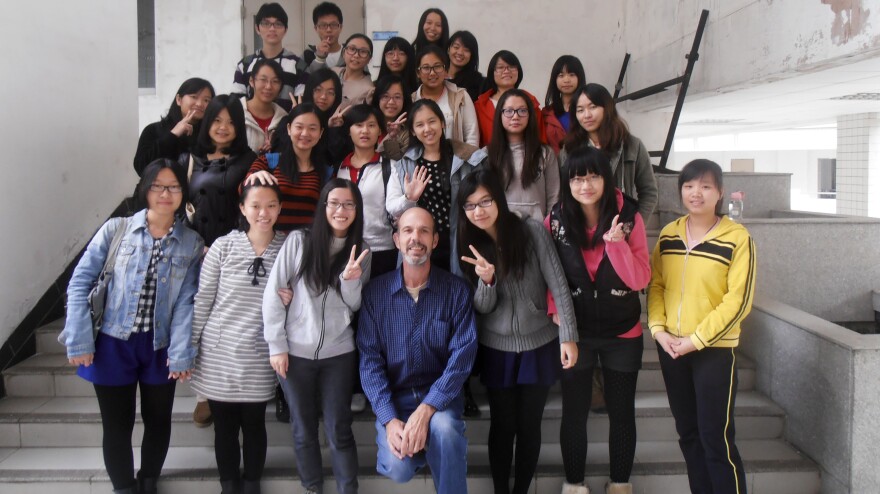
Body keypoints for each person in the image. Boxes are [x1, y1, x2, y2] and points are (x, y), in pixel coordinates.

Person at [59, 159, 202, 494]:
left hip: (159, 346)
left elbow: (186, 303)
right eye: (157, 186)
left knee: (158, 421)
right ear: (145, 189)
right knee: (117, 424)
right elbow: (80, 282)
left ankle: (149, 480)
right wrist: (79, 339)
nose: (165, 194)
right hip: (112, 343)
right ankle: (124, 487)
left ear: (183, 192)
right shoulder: (117, 230)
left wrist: (181, 352)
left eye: (174, 187)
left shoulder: (191, 243)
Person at [456, 170, 578, 494]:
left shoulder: (531, 231)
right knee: (502, 427)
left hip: (539, 342)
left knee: (529, 426)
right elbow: (482, 308)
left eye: (485, 201)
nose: (478, 210)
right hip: (496, 348)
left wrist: (568, 335)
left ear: (498, 198)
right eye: (470, 206)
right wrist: (487, 281)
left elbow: (558, 284)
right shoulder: (469, 243)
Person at [547, 146, 651, 494]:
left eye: (593, 176)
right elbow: (550, 276)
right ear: (568, 182)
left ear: (606, 178)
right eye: (577, 178)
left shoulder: (629, 217)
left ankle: (620, 484)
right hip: (576, 332)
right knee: (574, 414)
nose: (585, 185)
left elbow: (640, 280)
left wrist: (618, 245)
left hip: (623, 330)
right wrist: (561, 326)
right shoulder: (557, 220)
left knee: (621, 413)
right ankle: (574, 484)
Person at [648, 159, 755, 494]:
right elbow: (657, 286)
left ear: (719, 193)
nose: (696, 193)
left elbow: (738, 301)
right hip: (672, 349)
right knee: (689, 435)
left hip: (714, 351)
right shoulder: (668, 234)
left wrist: (697, 339)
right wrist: (658, 329)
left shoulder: (737, 238)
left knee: (716, 439)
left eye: (706, 186)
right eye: (689, 185)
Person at [357, 206, 477, 494]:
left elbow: (461, 359)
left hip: (441, 401)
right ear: (396, 240)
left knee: (445, 431)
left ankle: (435, 443)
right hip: (396, 400)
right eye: (408, 231)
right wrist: (388, 419)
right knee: (398, 468)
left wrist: (426, 413)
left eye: (424, 231)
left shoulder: (456, 291)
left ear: (436, 240)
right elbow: (369, 362)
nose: (416, 238)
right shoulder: (375, 294)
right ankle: (428, 447)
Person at [264, 179, 372, 494]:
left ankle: (347, 489)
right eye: (334, 203)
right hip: (295, 354)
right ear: (324, 206)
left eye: (349, 204)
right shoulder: (300, 241)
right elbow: (273, 294)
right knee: (303, 428)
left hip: (338, 354)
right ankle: (312, 486)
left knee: (339, 428)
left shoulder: (362, 251)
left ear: (357, 210)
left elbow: (354, 306)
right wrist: (277, 345)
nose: (341, 210)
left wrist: (350, 281)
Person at [190, 181, 285, 494]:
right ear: (243, 209)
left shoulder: (288, 247)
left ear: (279, 209)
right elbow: (204, 298)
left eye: (271, 205)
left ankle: (252, 483)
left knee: (255, 423)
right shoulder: (223, 246)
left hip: (260, 352)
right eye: (255, 205)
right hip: (219, 352)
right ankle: (229, 485)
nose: (263, 212)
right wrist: (189, 346)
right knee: (225, 427)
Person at [385, 98, 486, 274]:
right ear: (413, 131)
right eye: (420, 125)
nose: (427, 129)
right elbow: (392, 207)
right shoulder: (404, 163)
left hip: (457, 241)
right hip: (420, 242)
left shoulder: (466, 159)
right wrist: (409, 198)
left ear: (442, 123)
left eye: (432, 121)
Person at [561, 83, 658, 219]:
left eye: (593, 107)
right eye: (580, 110)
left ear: (607, 108)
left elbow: (649, 192)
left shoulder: (632, 145)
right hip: (583, 228)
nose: (587, 115)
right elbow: (564, 192)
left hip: (620, 225)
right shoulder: (570, 148)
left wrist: (633, 226)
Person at [244, 103, 328, 232]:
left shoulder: (326, 172)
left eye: (312, 128)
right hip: (270, 245)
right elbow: (243, 192)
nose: (305, 133)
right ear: (289, 129)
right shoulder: (268, 162)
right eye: (299, 127)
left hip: (304, 246)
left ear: (321, 132)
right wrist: (253, 178)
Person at [486, 88, 560, 222]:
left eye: (522, 111)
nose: (515, 116)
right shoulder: (487, 154)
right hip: (501, 229)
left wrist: (549, 228)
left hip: (539, 230)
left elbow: (553, 197)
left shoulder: (545, 153)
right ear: (499, 115)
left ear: (530, 115)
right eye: (508, 111)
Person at [231, 2, 307, 112]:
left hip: (287, 127)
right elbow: (235, 103)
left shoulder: (299, 66)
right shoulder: (245, 65)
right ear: (257, 28)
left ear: (285, 30)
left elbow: (302, 106)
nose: (272, 29)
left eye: (278, 24)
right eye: (266, 24)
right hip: (251, 127)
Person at [133, 78, 214, 177]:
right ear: (179, 99)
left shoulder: (211, 135)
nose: (200, 104)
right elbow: (141, 167)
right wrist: (173, 135)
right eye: (194, 97)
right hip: (162, 191)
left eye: (206, 100)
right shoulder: (153, 130)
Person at [411, 45, 479, 147]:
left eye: (437, 66)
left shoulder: (460, 96)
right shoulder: (411, 100)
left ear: (446, 70)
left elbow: (471, 136)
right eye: (426, 68)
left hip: (458, 161)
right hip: (421, 162)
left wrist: (467, 162)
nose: (432, 73)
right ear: (418, 72)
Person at [476, 51, 546, 146]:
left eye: (512, 67)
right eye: (500, 67)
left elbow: (541, 140)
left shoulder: (531, 103)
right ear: (492, 72)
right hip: (491, 158)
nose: (506, 71)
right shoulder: (480, 106)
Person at [241, 59, 288, 154]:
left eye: (275, 81)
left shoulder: (283, 119)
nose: (268, 86)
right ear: (251, 81)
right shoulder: (237, 112)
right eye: (263, 80)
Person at [543, 55, 586, 154]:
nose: (566, 80)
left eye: (571, 74)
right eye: (561, 75)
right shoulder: (546, 113)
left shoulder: (588, 111)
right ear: (555, 79)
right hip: (554, 167)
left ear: (579, 77)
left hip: (583, 165)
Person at [371, 75, 412, 159]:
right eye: (385, 96)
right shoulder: (367, 124)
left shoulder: (408, 131)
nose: (391, 102)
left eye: (397, 97)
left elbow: (398, 162)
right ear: (378, 98)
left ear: (404, 100)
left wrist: (391, 138)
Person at [302, 2, 346, 71]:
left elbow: (364, 78)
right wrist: (319, 59)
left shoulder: (351, 53)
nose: (328, 30)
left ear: (340, 27)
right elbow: (305, 80)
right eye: (323, 25)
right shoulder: (307, 55)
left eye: (333, 25)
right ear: (316, 29)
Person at [333, 34, 374, 107]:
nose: (356, 55)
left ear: (369, 59)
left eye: (363, 51)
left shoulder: (369, 90)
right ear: (343, 53)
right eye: (352, 49)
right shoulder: (332, 73)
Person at [446, 31, 485, 102]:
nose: (460, 52)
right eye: (456, 47)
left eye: (466, 50)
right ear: (448, 49)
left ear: (472, 55)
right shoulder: (438, 76)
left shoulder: (477, 83)